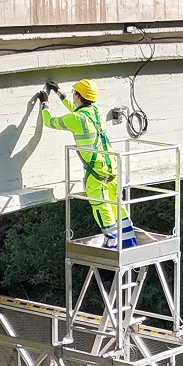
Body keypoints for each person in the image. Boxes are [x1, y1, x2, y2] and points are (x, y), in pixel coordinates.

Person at [38, 77, 134, 247]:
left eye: (74, 92)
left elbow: (49, 121)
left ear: (78, 95)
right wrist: (59, 92)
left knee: (101, 207)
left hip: (95, 173)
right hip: (111, 166)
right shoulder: (96, 111)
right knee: (117, 204)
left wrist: (44, 103)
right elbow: (77, 109)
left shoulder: (76, 119)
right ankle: (128, 241)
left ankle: (114, 242)